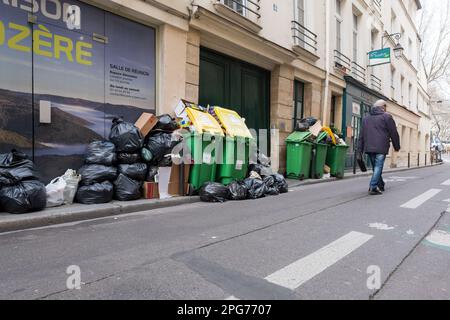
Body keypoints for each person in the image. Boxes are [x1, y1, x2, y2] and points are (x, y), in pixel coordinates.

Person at [358, 99, 400, 195]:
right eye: (386, 107)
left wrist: (360, 149)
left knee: (376, 167)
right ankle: (372, 187)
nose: (386, 109)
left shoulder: (366, 118)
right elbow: (394, 133)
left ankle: (380, 184)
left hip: (369, 147)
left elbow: (361, 135)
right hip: (381, 147)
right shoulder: (387, 117)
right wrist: (396, 146)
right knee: (378, 166)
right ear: (383, 107)